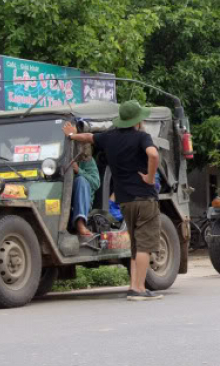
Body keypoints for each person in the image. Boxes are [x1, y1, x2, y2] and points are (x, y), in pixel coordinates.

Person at [63, 100, 163, 301]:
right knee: (144, 245)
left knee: (135, 244)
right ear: (137, 121)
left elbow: (90, 137)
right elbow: (153, 155)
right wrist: (150, 178)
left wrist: (72, 135)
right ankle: (140, 289)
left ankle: (133, 286)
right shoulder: (142, 137)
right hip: (144, 198)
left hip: (125, 201)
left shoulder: (109, 138)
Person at [70, 142, 100, 237]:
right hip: (63, 200)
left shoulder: (87, 161)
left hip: (82, 202)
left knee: (81, 180)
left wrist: (78, 170)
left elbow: (96, 183)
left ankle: (80, 222)